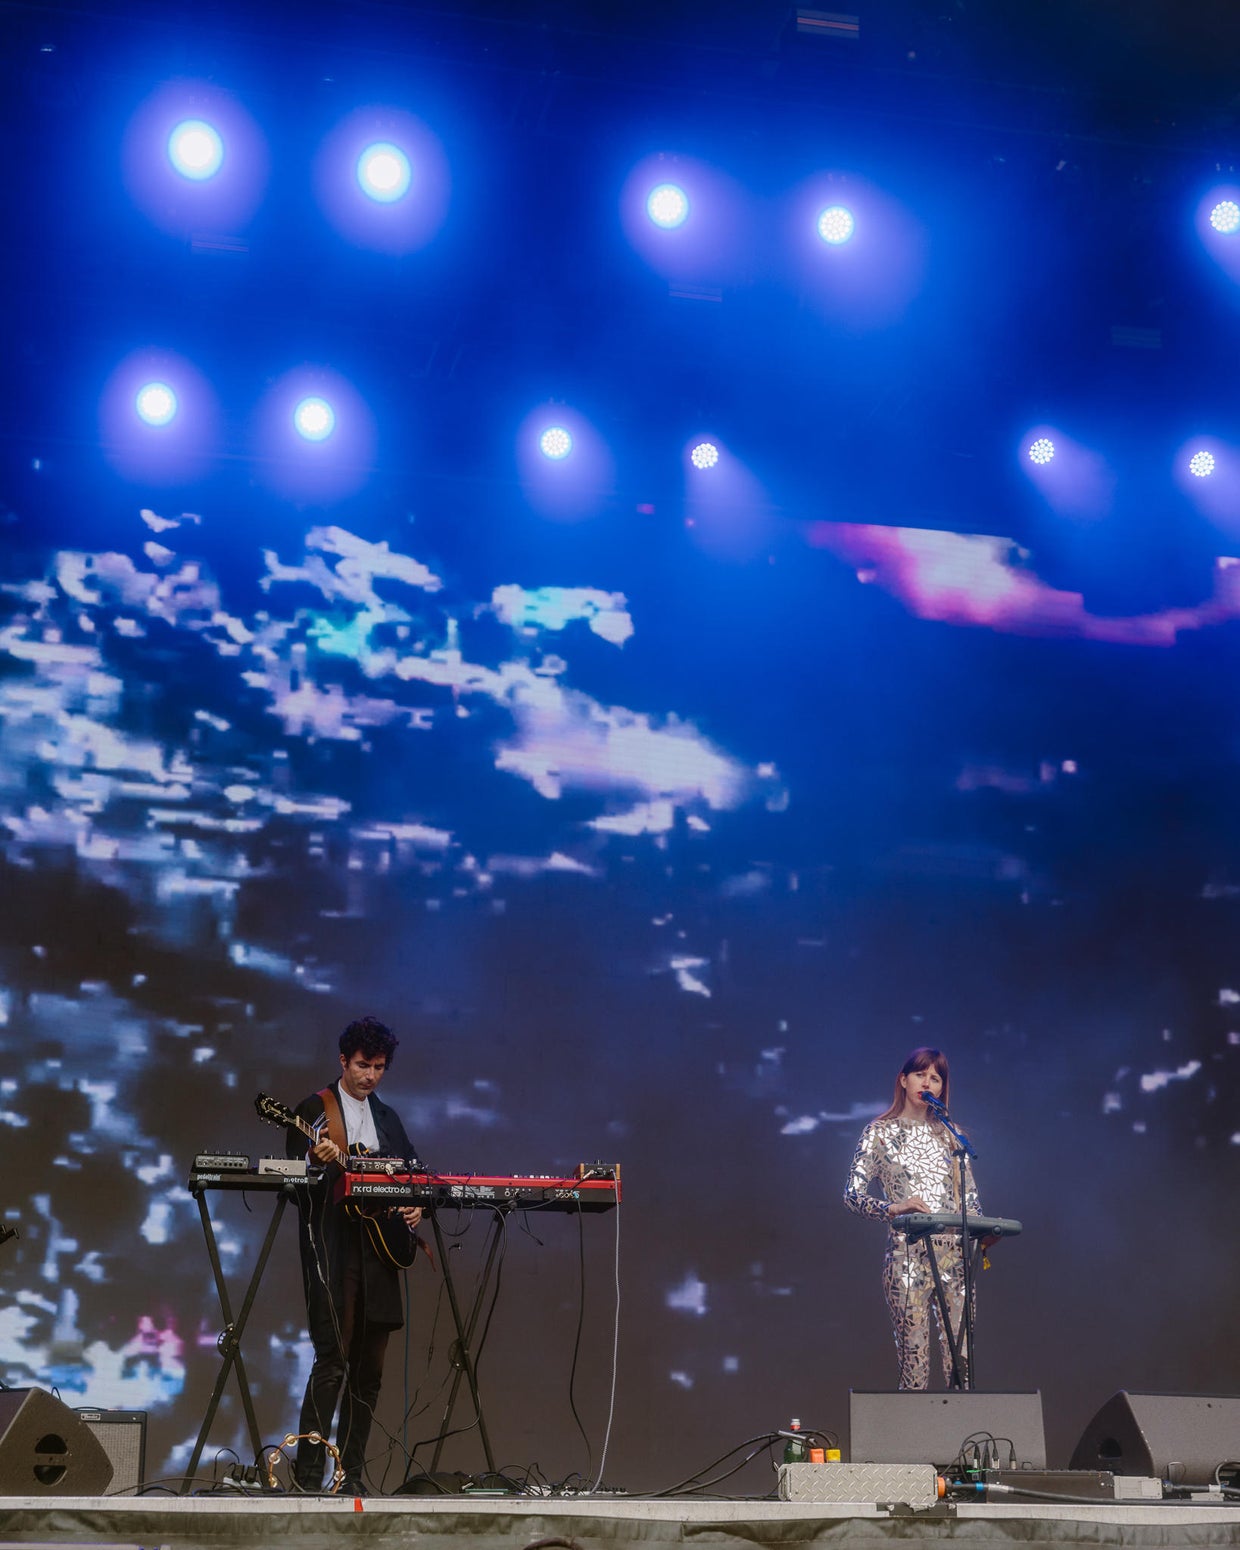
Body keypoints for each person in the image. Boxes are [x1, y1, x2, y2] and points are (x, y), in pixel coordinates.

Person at [286, 1016, 423, 1494]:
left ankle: (352, 1480)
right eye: (363, 1065)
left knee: (370, 1374)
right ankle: (306, 1478)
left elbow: (413, 1172)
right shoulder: (315, 1111)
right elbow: (294, 1184)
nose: (370, 1076)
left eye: (379, 1067)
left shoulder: (388, 1118)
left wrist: (413, 1205)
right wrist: (313, 1161)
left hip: (381, 1255)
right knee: (332, 1363)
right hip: (336, 1250)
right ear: (343, 1061)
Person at [843, 1047, 980, 1391]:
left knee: (961, 1362)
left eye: (936, 1078)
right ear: (904, 1080)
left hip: (955, 1258)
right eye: (921, 1074)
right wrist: (893, 1208)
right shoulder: (879, 1132)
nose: (928, 1082)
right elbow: (852, 1195)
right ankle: (912, 1442)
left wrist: (981, 1232)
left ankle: (963, 1440)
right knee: (915, 1362)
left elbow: (970, 1199)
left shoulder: (951, 1135)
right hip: (908, 1257)